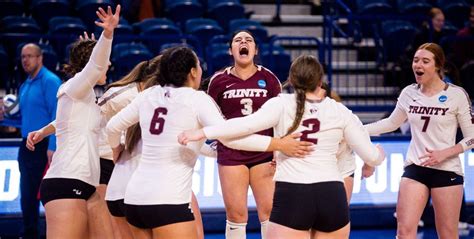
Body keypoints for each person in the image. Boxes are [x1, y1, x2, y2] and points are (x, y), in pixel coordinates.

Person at [105, 46, 313, 239]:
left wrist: (117, 149)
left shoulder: (149, 95)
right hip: (168, 201)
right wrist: (278, 144)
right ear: (193, 72)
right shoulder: (196, 99)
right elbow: (231, 138)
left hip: (134, 201)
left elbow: (112, 127)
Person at [179, 54, 385, 239]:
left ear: (292, 80)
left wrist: (203, 132)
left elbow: (244, 125)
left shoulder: (281, 104)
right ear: (321, 81)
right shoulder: (340, 110)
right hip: (331, 195)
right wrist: (377, 157)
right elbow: (371, 155)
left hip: (293, 195)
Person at [26, 5, 120, 239]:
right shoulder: (74, 87)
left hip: (87, 184)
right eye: (105, 60)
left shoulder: (85, 97)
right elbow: (97, 64)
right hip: (66, 181)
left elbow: (65, 121)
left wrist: (43, 131)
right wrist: (107, 34)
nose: (108, 65)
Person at [365, 42, 474, 239]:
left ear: (438, 66)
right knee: (404, 231)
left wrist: (445, 153)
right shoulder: (409, 92)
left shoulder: (456, 95)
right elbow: (391, 123)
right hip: (415, 168)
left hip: (447, 170)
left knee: (448, 234)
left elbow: (472, 138)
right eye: (416, 61)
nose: (418, 65)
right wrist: (357, 130)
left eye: (425, 61)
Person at [99, 55, 207, 239]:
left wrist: (115, 147)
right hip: (157, 193)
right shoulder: (178, 104)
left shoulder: (145, 100)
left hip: (119, 191)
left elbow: (110, 126)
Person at [207, 29, 282, 239]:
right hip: (231, 152)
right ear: (231, 50)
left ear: (255, 49)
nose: (243, 42)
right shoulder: (218, 81)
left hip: (263, 151)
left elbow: (281, 116)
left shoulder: (269, 78)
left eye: (248, 40)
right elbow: (209, 114)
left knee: (268, 212)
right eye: (238, 40)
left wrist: (278, 149)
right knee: (236, 214)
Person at [8, 43, 61, 239]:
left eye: (30, 56)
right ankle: (29, 233)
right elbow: (25, 116)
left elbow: (58, 115)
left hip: (44, 146)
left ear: (40, 58)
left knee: (47, 195)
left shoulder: (50, 81)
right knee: (27, 194)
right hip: (27, 145)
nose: (26, 60)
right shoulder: (26, 84)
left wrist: (53, 146)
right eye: (23, 57)